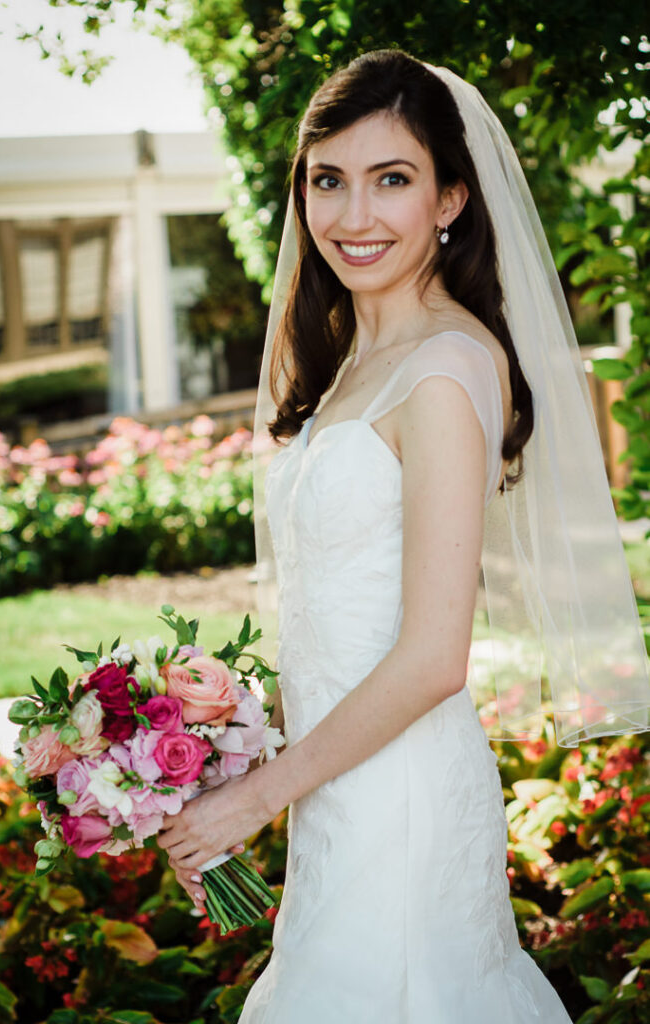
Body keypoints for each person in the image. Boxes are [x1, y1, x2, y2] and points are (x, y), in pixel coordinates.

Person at [158, 50, 650, 1022]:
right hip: (336, 784)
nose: (352, 216)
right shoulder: (349, 359)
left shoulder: (441, 367)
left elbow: (431, 655)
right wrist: (207, 738)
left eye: (391, 180)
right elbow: (340, 602)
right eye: (327, 180)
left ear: (450, 200)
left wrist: (251, 800)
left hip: (401, 796)